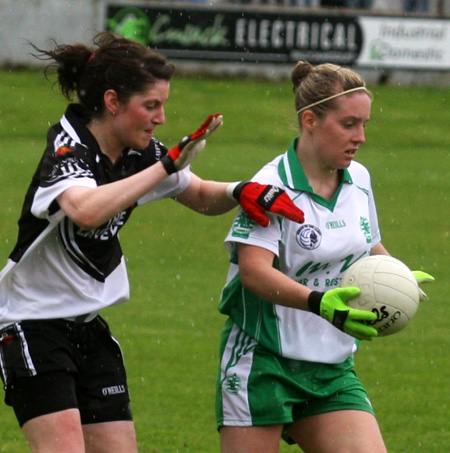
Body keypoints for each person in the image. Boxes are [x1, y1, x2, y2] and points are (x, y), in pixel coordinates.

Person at [0, 33, 305, 453]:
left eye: (163, 104)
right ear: (112, 102)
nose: (161, 117)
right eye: (151, 105)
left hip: (88, 327)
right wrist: (164, 166)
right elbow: (86, 210)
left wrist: (239, 190)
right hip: (31, 324)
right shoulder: (69, 146)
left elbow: (198, 194)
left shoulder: (137, 152)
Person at [215, 61, 434, 452]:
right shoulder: (269, 187)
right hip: (263, 361)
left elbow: (367, 246)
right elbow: (253, 273)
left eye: (365, 124)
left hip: (332, 368)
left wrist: (398, 275)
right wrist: (319, 304)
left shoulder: (359, 179)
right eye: (349, 124)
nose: (361, 137)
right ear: (311, 120)